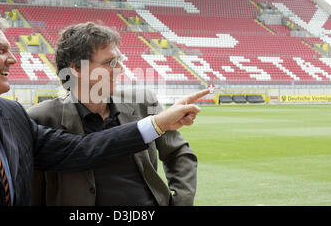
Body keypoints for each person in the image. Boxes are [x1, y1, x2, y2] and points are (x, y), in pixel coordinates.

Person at [0, 11, 207, 206]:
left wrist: (158, 124)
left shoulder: (11, 116)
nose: (13, 59)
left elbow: (83, 150)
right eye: (1, 50)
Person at [27, 22, 208, 206]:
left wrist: (181, 201)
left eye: (119, 61)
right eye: (110, 62)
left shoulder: (143, 102)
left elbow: (178, 152)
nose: (121, 69)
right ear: (76, 68)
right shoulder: (41, 118)